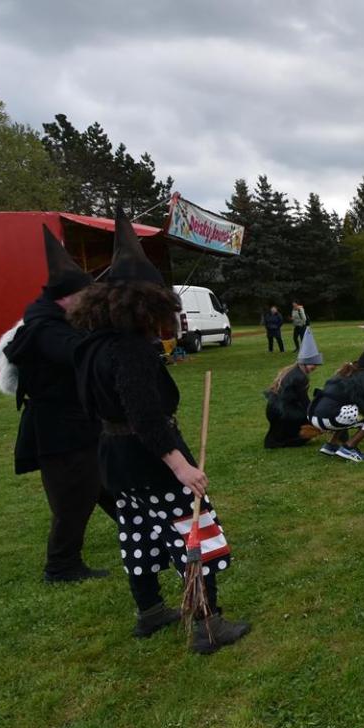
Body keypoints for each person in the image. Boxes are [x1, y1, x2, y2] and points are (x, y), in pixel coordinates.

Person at [70, 208, 249, 653]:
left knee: (139, 531)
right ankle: (208, 625)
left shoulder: (90, 345)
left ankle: (150, 611)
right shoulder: (130, 349)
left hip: (116, 461)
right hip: (150, 459)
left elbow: (93, 409)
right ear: (144, 302)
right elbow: (145, 416)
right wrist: (180, 466)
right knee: (191, 531)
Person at [0, 226, 115, 584]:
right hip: (59, 430)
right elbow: (76, 353)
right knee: (73, 499)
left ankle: (144, 530)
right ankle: (61, 566)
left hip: (81, 422)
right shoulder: (45, 329)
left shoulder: (59, 319)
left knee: (107, 483)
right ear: (67, 297)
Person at [308, 331, 364, 463]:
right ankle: (349, 447)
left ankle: (331, 444)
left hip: (314, 414)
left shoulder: (347, 372)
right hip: (330, 416)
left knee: (351, 410)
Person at [264, 327, 322, 449]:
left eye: (316, 364)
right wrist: (315, 419)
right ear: (304, 362)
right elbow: (305, 402)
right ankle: (289, 440)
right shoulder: (301, 377)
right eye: (312, 363)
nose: (315, 367)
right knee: (304, 418)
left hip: (272, 409)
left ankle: (278, 438)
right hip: (282, 412)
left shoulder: (292, 370)